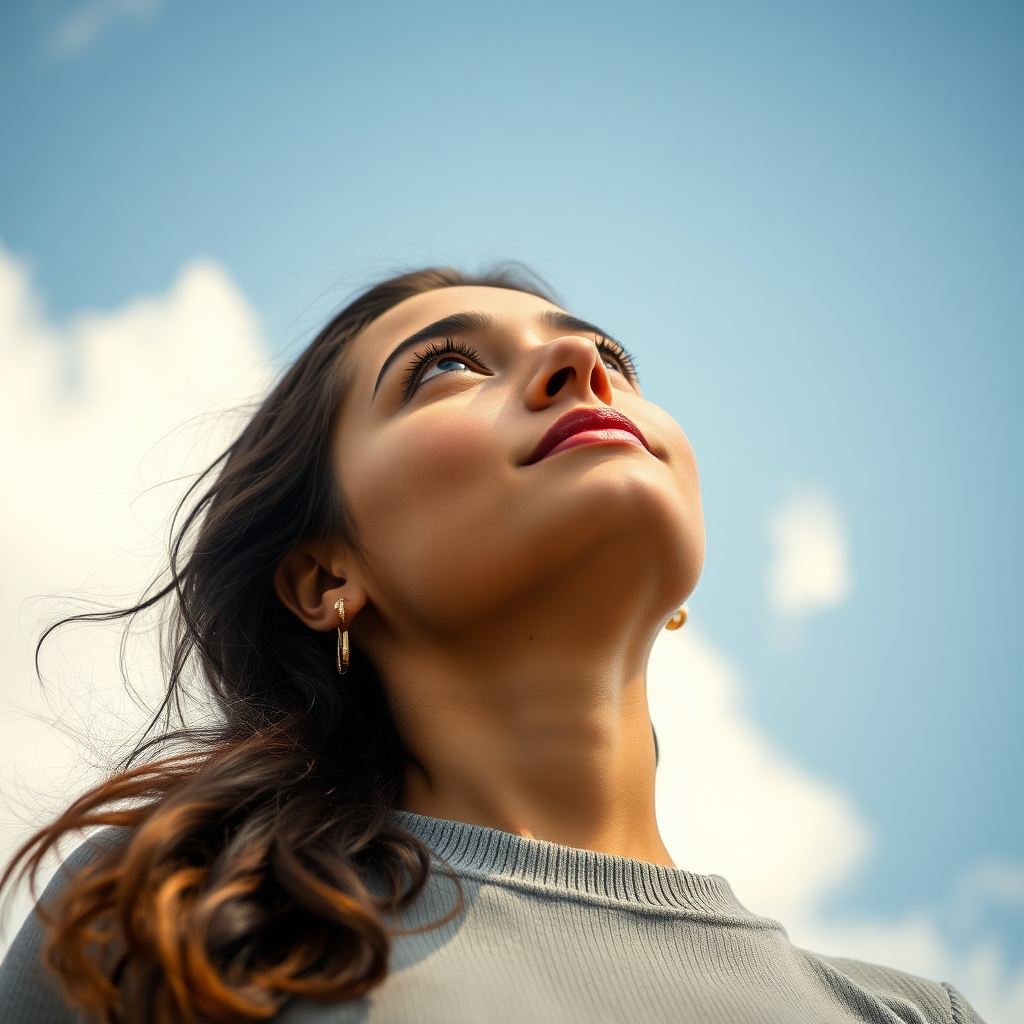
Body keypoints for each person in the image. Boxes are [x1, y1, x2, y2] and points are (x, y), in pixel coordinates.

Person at [0, 267, 983, 1023]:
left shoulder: (912, 1016)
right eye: (446, 366)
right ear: (326, 578)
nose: (584, 364)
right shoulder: (173, 917)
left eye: (612, 355)